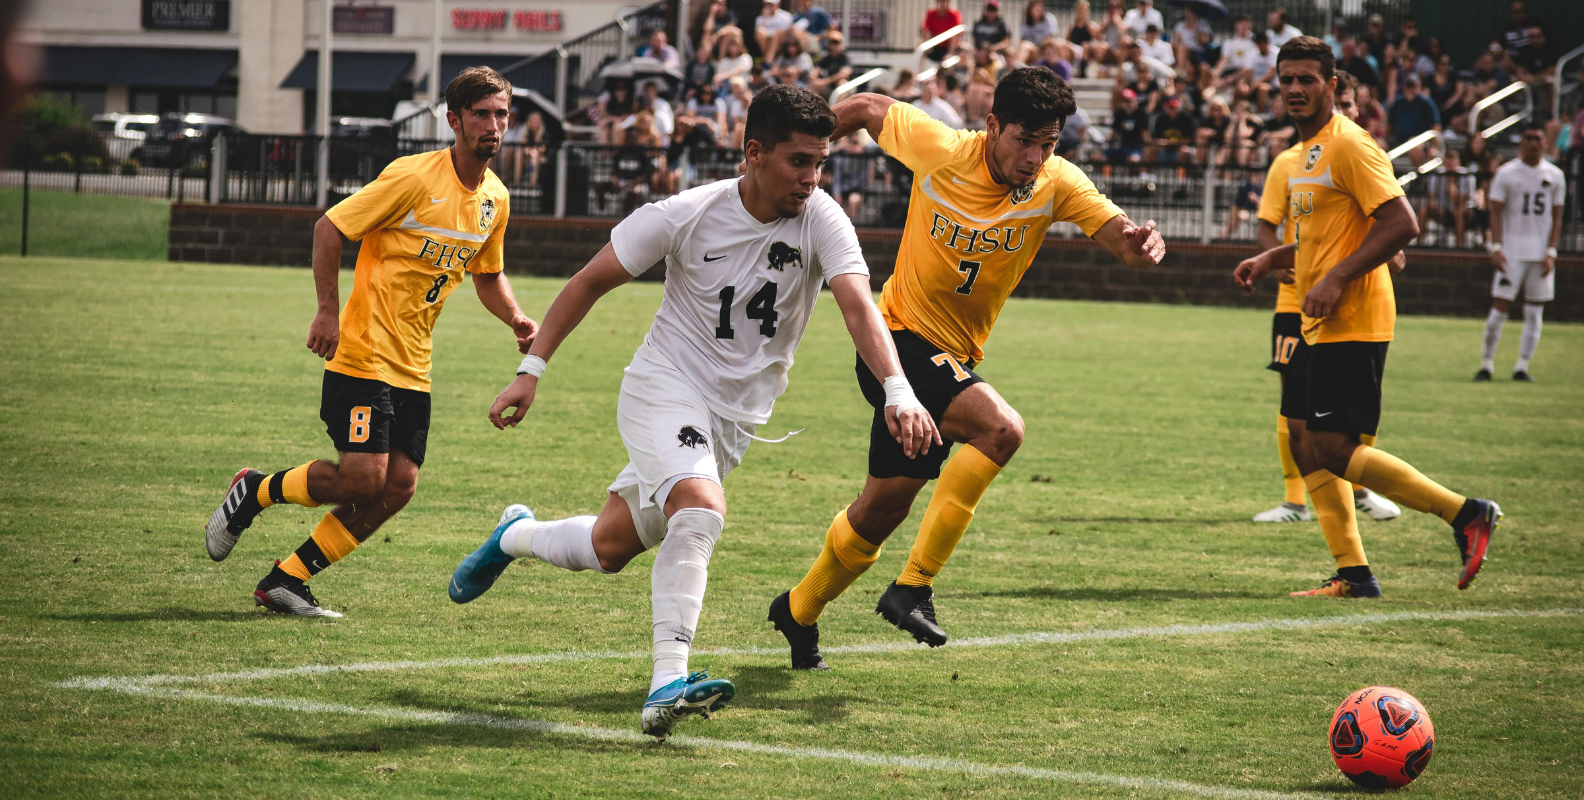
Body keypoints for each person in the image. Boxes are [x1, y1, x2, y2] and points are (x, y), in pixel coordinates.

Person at [450, 84, 938, 734]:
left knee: (609, 547)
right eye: (799, 161)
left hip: (733, 422)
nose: (811, 178)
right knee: (702, 509)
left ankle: (513, 534)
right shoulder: (684, 213)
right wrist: (529, 371)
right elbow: (588, 282)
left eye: (820, 162)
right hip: (664, 385)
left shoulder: (823, 218)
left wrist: (898, 388)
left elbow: (858, 306)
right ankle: (666, 685)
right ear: (754, 153)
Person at [769, 68, 1165, 667]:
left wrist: (1138, 249)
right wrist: (807, 157)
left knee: (881, 511)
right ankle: (913, 587)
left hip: (950, 358)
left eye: (1049, 144)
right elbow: (870, 106)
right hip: (897, 343)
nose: (1035, 157)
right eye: (1024, 140)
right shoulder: (944, 149)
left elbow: (1118, 239)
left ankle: (797, 611)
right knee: (1000, 428)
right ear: (992, 126)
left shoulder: (1056, 182)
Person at [204, 68, 537, 617]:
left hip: (414, 364)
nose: (494, 125)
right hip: (362, 352)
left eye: (501, 114)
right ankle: (256, 490)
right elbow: (329, 228)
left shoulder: (495, 199)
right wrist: (328, 312)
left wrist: (517, 319)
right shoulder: (412, 177)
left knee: (399, 485)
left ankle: (287, 579)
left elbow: (486, 274)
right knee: (364, 477)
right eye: (481, 114)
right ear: (454, 121)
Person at [1233, 37, 1500, 599]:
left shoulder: (1350, 145)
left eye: (1307, 79)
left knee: (1333, 446)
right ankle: (1353, 573)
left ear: (1333, 85)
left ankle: (1466, 513)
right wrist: (1271, 259)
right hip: (1316, 320)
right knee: (1306, 439)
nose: (1295, 90)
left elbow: (1402, 225)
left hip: (1353, 317)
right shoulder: (1305, 153)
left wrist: (1334, 279)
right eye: (1286, 80)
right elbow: (1321, 241)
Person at [1249, 68, 1401, 524]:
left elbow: (1390, 223)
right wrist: (1276, 264)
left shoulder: (1359, 152)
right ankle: (1296, 500)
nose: (1349, 114)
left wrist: (1390, 255)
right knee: (1297, 412)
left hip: (1351, 303)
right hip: (1297, 303)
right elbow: (1269, 225)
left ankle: (1357, 491)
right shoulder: (1291, 161)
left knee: (1342, 421)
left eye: (1354, 106)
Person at [1476, 122, 1564, 383]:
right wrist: (1496, 246)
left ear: (1545, 142)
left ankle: (1522, 366)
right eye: (1528, 138)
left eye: (1538, 138)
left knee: (1535, 311)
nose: (1533, 143)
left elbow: (1557, 217)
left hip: (1540, 254)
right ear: (1520, 142)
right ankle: (1486, 364)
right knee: (1499, 308)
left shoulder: (1555, 175)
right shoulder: (1506, 173)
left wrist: (1552, 251)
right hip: (1512, 251)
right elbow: (1495, 212)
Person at [1420, 147, 1474, 249]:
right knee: (1423, 210)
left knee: (1458, 212)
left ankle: (1459, 246)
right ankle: (1420, 243)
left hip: (1465, 211)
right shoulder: (1437, 174)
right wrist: (1435, 206)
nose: (1449, 168)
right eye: (1447, 164)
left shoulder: (1466, 176)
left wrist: (1450, 183)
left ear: (1458, 163)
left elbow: (1459, 202)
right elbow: (1430, 199)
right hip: (1443, 209)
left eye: (1452, 164)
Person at [1386, 74, 1439, 154]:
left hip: (1420, 141)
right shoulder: (1398, 103)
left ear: (1418, 87)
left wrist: (1434, 146)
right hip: (1399, 139)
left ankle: (1420, 167)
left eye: (1413, 87)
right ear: (1404, 88)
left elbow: (1435, 127)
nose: (1410, 90)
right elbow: (1390, 126)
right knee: (1378, 144)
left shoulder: (1426, 103)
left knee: (1412, 143)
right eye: (1408, 86)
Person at [1107, 87, 1149, 164]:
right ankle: (1106, 176)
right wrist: (1109, 143)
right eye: (1124, 101)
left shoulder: (1141, 114)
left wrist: (1146, 149)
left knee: (1133, 160)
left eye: (1128, 101)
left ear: (1135, 101)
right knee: (1099, 156)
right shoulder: (1119, 113)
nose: (1127, 104)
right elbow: (1114, 133)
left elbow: (1145, 136)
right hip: (1122, 146)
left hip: (1136, 147)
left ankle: (1135, 176)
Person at [808, 30, 852, 99]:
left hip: (847, 89)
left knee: (842, 83)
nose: (834, 46)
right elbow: (815, 71)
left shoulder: (845, 58)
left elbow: (844, 74)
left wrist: (824, 82)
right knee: (814, 84)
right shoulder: (825, 58)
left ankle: (838, 109)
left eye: (836, 43)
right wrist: (814, 79)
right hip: (828, 88)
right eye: (832, 43)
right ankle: (814, 108)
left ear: (841, 44)